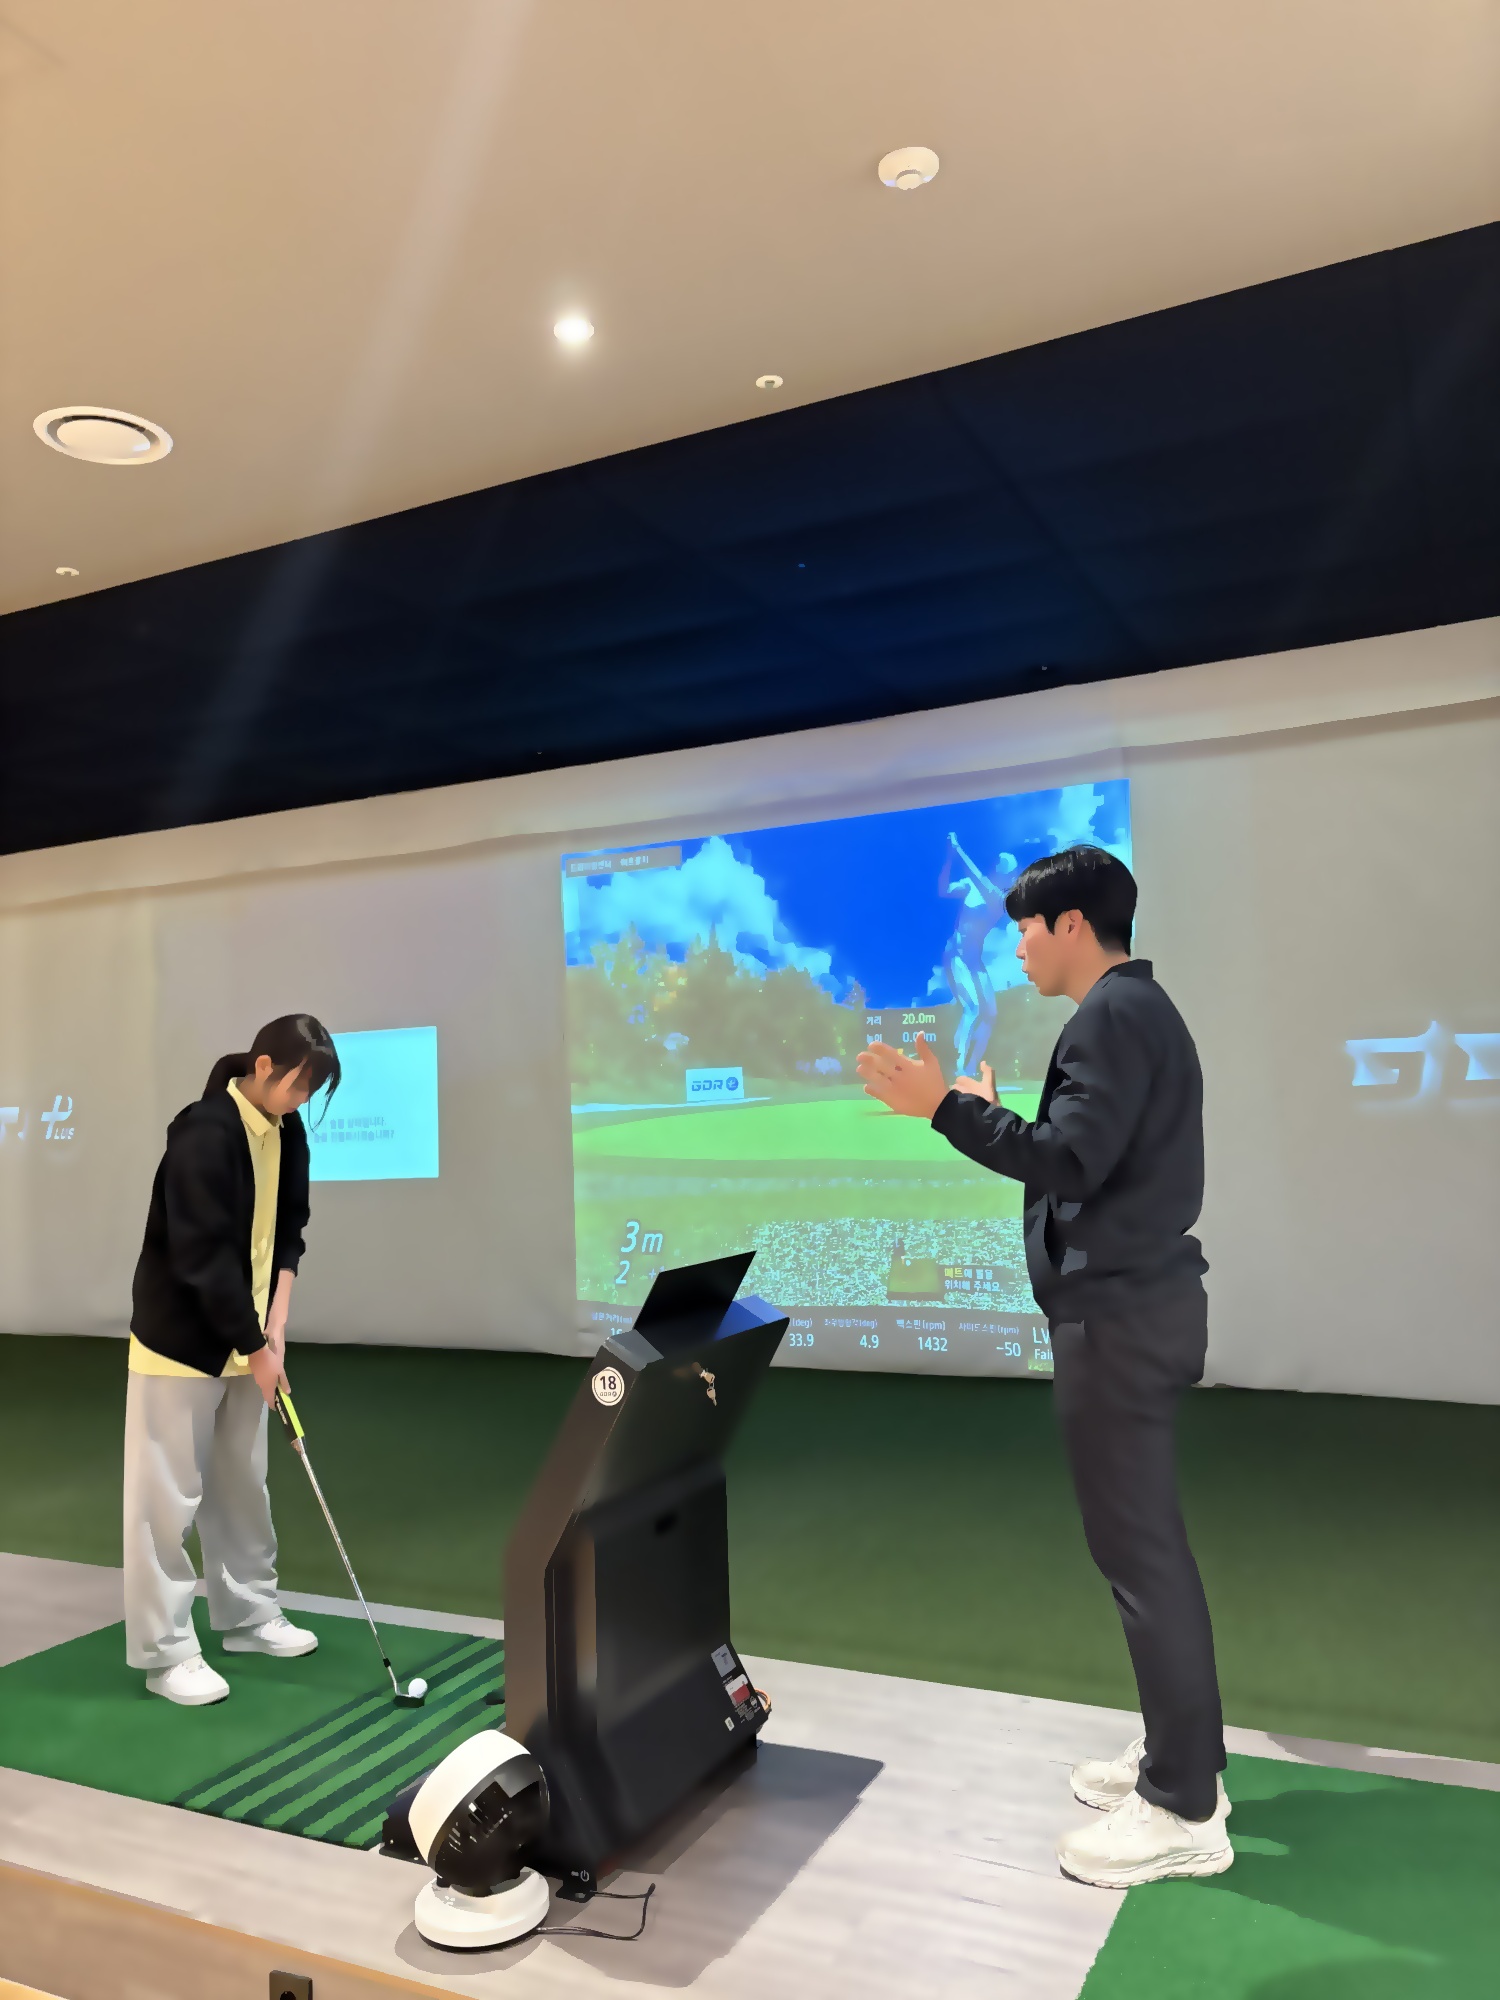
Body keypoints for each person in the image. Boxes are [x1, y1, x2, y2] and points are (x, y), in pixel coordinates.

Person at [855, 846, 1230, 1888]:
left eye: (1026, 927)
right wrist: (981, 1111)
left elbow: (1069, 1160)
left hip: (1120, 1319)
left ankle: (1185, 1805)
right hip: (1136, 1310)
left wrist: (943, 1106)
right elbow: (1079, 1155)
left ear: (1072, 925)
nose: (1014, 945)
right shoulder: (1135, 1012)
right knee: (1146, 1553)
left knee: (1141, 1557)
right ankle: (1179, 1754)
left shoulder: (1110, 1017)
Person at [123, 1014, 341, 1706]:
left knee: (243, 1483)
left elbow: (290, 1229)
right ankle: (165, 1653)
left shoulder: (286, 1130)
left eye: (311, 1093)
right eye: (298, 1085)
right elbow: (202, 1258)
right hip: (182, 1340)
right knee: (167, 1499)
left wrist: (275, 1327)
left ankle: (249, 1616)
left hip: (247, 1336)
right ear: (264, 1065)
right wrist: (253, 1345)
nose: (300, 1101)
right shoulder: (204, 1133)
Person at [937, 831, 1010, 1075]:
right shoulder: (971, 887)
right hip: (956, 954)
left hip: (974, 960)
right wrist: (949, 859)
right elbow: (943, 890)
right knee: (972, 1008)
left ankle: (969, 1068)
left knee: (990, 1014)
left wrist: (958, 850)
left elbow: (977, 877)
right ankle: (958, 1066)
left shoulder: (998, 898)